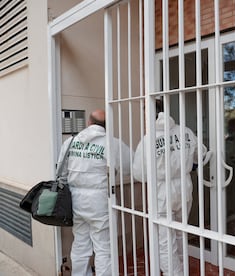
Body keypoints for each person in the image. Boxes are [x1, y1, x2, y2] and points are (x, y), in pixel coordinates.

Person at [132, 100, 211, 276]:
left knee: (165, 240)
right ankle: (182, 271)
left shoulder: (148, 139)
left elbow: (139, 174)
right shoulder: (185, 131)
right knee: (181, 232)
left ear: (148, 115)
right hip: (184, 187)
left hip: (162, 191)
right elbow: (201, 154)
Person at [57, 109, 132, 276]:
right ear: (107, 126)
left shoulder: (70, 142)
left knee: (80, 245)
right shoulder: (111, 143)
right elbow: (131, 167)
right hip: (99, 200)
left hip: (75, 200)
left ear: (89, 123)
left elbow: (61, 174)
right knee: (104, 248)